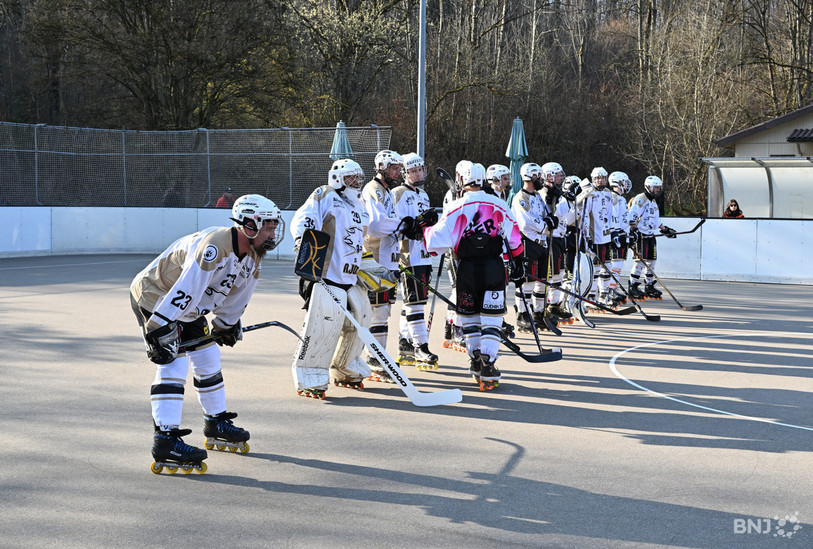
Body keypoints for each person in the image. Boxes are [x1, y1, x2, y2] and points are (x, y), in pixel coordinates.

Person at [130, 193, 285, 473]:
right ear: (249, 226)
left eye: (275, 226)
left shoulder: (253, 256)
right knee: (173, 361)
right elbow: (188, 287)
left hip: (190, 304)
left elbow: (240, 294)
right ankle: (165, 439)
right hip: (158, 297)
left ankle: (215, 422)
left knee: (208, 356)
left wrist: (227, 324)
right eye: (269, 227)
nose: (273, 233)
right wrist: (161, 326)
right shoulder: (214, 246)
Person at [289, 159, 395, 399]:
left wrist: (378, 271)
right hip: (325, 275)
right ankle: (310, 372)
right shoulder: (325, 194)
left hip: (350, 277)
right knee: (324, 326)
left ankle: (345, 365)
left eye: (357, 177)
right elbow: (305, 217)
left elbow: (359, 246)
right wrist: (303, 240)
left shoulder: (358, 206)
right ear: (337, 178)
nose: (355, 182)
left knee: (361, 320)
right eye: (350, 177)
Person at [420, 162, 524, 391]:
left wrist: (425, 228)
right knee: (491, 318)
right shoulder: (499, 204)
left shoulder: (456, 207)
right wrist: (519, 261)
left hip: (466, 270)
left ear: (461, 179)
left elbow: (434, 242)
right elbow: (515, 239)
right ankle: (488, 363)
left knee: (469, 316)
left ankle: (476, 357)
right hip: (494, 268)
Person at [361, 150, 407, 382]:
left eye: (399, 168)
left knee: (384, 310)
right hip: (374, 258)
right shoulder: (374, 189)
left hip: (388, 259)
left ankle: (377, 356)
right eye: (394, 168)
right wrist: (403, 224)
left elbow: (392, 224)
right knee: (376, 311)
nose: (397, 172)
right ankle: (373, 358)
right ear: (381, 167)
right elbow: (376, 225)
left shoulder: (387, 192)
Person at [393, 153, 439, 371]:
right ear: (404, 173)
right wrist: (418, 223)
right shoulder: (398, 194)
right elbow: (398, 226)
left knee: (413, 301)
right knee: (416, 302)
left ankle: (405, 341)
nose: (418, 173)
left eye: (420, 169)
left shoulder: (424, 195)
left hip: (424, 254)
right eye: (413, 170)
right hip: (408, 254)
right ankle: (421, 345)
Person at [511, 162, 556, 331]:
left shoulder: (537, 196)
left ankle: (538, 313)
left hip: (543, 243)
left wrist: (551, 218)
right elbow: (526, 223)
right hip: (528, 243)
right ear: (530, 177)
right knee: (527, 282)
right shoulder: (520, 198)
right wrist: (546, 225)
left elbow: (546, 215)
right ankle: (522, 314)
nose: (541, 179)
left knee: (542, 280)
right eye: (538, 176)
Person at [627, 175, 676, 299]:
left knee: (652, 261)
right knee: (640, 263)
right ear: (648, 187)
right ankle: (633, 286)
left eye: (659, 188)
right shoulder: (640, 199)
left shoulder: (653, 202)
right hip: (641, 236)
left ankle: (649, 285)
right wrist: (632, 231)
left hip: (650, 235)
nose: (658, 190)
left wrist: (666, 230)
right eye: (655, 188)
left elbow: (655, 220)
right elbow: (632, 216)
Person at [539, 162, 575, 323]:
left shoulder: (559, 195)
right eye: (558, 175)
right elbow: (554, 214)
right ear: (550, 176)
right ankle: (543, 306)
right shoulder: (542, 194)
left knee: (559, 273)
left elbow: (567, 218)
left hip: (560, 237)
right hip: (549, 238)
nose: (561, 178)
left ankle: (555, 304)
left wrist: (571, 200)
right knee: (549, 274)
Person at [579, 167, 616, 308]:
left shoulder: (608, 193)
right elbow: (585, 215)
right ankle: (591, 296)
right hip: (595, 237)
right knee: (595, 267)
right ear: (593, 179)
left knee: (608, 266)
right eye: (598, 178)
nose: (601, 180)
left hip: (606, 235)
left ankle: (604, 294)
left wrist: (614, 232)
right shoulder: (589, 193)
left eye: (603, 178)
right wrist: (586, 235)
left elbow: (611, 214)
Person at [607, 171, 633, 303]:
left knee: (619, 264)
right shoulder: (613, 197)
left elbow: (624, 219)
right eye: (624, 182)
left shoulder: (621, 199)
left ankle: (613, 287)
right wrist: (615, 233)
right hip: (616, 235)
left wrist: (630, 233)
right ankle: (608, 290)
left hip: (623, 235)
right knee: (614, 263)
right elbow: (613, 217)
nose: (626, 185)